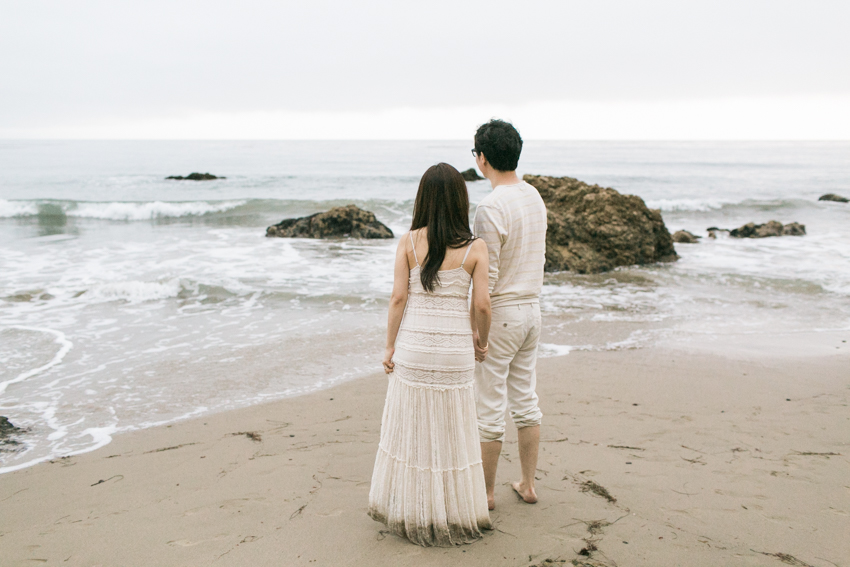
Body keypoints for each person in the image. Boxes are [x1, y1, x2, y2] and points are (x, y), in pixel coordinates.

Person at [368, 162, 493, 547]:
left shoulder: (408, 242)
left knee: (413, 431)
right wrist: (481, 341)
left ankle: (411, 508)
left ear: (423, 198)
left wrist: (389, 346)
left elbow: (398, 298)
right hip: (455, 350)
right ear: (460, 200)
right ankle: (455, 512)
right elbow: (483, 305)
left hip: (415, 349)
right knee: (452, 431)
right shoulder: (475, 247)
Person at [470, 119, 547, 510]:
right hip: (533, 309)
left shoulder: (490, 206)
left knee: (489, 403)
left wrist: (477, 332)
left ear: (482, 159)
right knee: (525, 398)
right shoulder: (534, 195)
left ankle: (485, 494)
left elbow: (488, 281)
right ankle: (528, 484)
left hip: (502, 314)